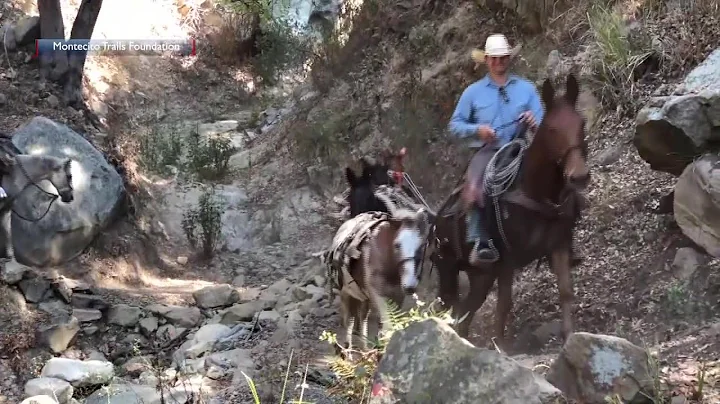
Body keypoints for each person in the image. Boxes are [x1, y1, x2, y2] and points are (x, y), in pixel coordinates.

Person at [448, 33, 583, 266]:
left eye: (503, 58)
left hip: (525, 145)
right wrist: (478, 130)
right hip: (490, 151)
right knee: (474, 186)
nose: (499, 62)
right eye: (494, 58)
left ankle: (564, 240)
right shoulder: (472, 93)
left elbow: (546, 125)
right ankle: (481, 241)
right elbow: (455, 125)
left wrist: (534, 121)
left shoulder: (527, 89)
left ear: (509, 58)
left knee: (561, 175)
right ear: (486, 60)